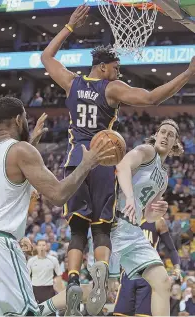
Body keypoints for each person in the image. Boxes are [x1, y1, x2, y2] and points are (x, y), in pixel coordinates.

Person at [41, 5, 195, 315]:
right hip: (104, 163)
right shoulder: (111, 89)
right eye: (116, 66)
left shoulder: (71, 83)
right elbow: (153, 99)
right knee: (102, 228)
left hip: (75, 161)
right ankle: (101, 267)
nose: (119, 71)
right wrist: (189, 74)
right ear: (102, 67)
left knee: (76, 230)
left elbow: (46, 57)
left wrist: (69, 27)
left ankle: (73, 278)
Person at [0, 96, 114, 316]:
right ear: (19, 119)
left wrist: (32, 143)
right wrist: (86, 165)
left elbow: (11, 168)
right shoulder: (22, 151)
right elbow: (58, 195)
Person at [109, 119, 184, 316]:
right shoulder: (147, 151)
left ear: (175, 142)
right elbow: (122, 166)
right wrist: (131, 198)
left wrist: (157, 211)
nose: (165, 136)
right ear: (156, 135)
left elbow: (148, 217)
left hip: (132, 230)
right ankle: (42, 309)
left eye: (170, 134)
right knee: (98, 291)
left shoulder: (164, 176)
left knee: (163, 282)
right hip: (114, 223)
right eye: (162, 132)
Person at [111, 217, 182, 317]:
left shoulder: (157, 221)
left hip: (148, 276)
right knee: (120, 314)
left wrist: (177, 267)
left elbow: (171, 249)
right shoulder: (123, 220)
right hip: (127, 275)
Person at [27, 240, 64, 305]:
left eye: (43, 245)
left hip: (49, 290)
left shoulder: (53, 260)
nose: (41, 247)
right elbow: (26, 276)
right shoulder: (31, 261)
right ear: (36, 247)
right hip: (35, 290)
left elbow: (59, 275)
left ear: (46, 247)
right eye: (40, 245)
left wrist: (60, 291)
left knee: (50, 313)